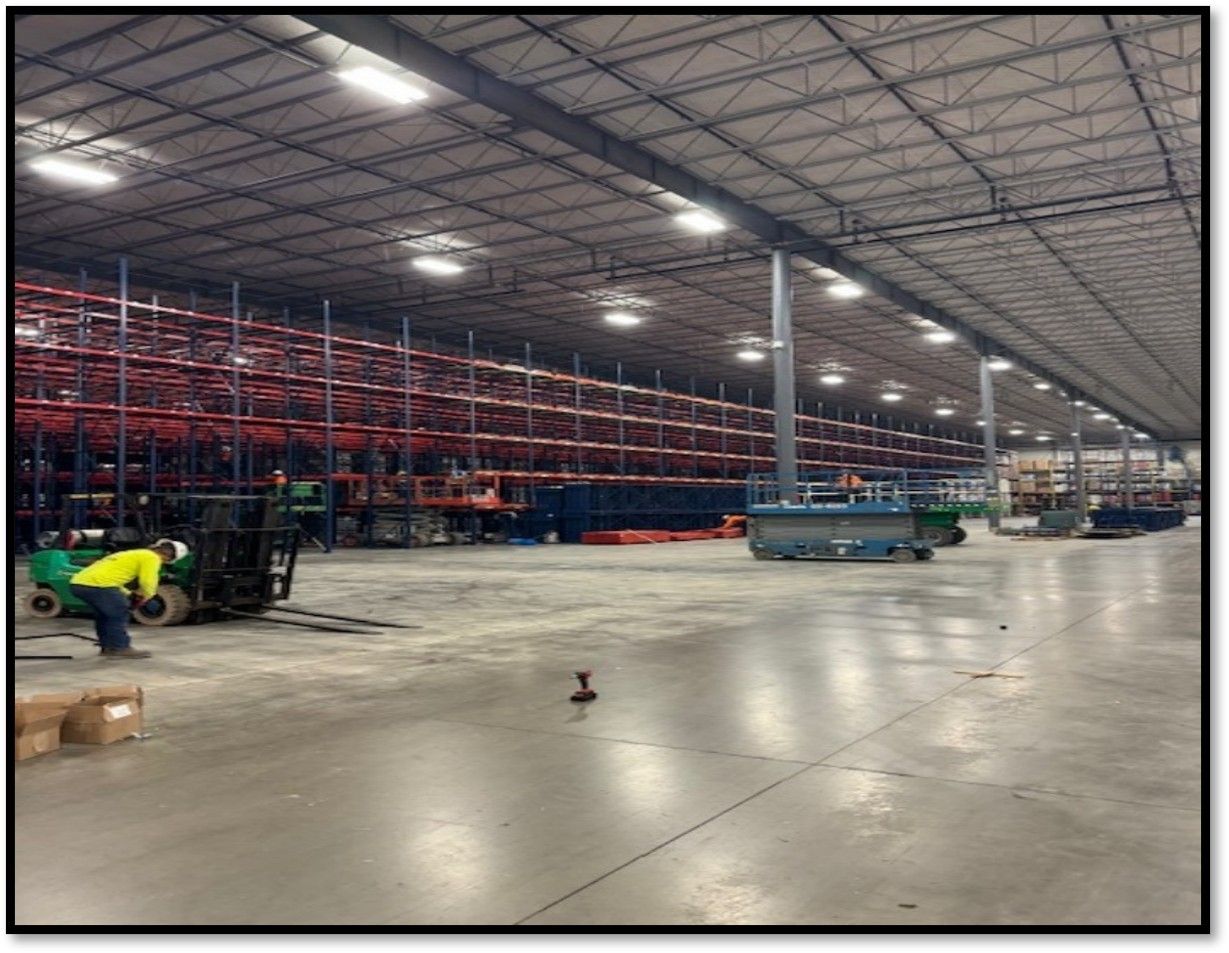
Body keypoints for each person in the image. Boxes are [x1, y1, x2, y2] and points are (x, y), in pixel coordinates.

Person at [69, 538, 188, 659]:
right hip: (99, 585)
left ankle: (108, 647)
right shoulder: (152, 558)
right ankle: (120, 647)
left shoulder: (134, 553)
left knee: (104, 616)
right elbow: (147, 581)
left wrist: (128, 594)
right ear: (171, 558)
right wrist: (148, 595)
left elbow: (113, 579)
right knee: (119, 613)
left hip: (79, 584)